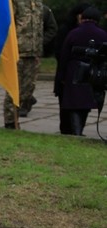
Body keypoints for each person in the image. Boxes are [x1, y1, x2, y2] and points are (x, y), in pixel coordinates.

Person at [56, 7, 107, 136]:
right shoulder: (103, 34)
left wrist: (61, 75)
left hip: (74, 71)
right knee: (85, 103)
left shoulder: (73, 33)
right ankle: (79, 130)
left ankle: (76, 131)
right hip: (92, 71)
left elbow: (64, 55)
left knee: (74, 103)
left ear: (82, 18)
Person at [3, 0, 43, 130]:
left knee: (28, 88)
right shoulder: (15, 1)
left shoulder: (38, 2)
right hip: (18, 50)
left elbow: (40, 26)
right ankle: (10, 121)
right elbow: (8, 24)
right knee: (14, 88)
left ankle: (18, 113)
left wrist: (39, 50)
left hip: (34, 51)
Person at [54, 3, 91, 134]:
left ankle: (77, 129)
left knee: (83, 104)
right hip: (68, 71)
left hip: (84, 72)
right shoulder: (66, 30)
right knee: (65, 102)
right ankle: (66, 129)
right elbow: (59, 51)